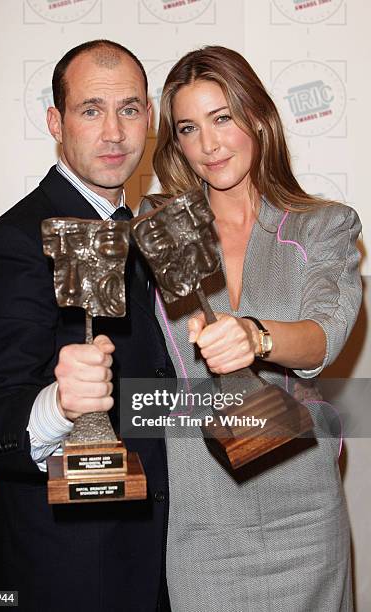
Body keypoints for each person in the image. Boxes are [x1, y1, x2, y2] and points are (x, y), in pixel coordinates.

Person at [146, 46, 362, 611]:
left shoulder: (321, 226)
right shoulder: (158, 232)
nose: (209, 145)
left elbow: (322, 336)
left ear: (258, 118)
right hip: (201, 516)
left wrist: (257, 336)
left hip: (304, 515)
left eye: (223, 118)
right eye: (189, 129)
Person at [0, 40, 174, 612]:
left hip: (162, 564)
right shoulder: (12, 243)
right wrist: (59, 404)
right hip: (60, 578)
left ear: (149, 120)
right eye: (90, 110)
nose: (113, 132)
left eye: (129, 109)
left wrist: (285, 414)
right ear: (56, 121)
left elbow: (157, 395)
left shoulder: (156, 235)